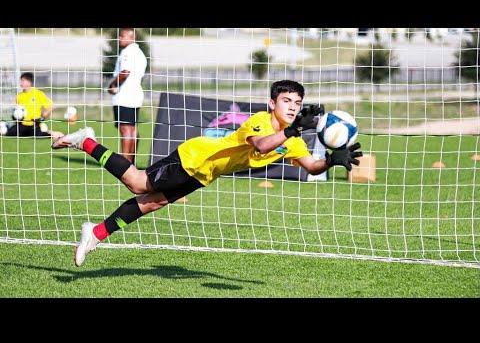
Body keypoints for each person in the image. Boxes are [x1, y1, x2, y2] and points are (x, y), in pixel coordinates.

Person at [52, 80, 363, 267]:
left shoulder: (293, 139)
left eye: (298, 103)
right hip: (196, 157)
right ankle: (85, 140)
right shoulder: (260, 121)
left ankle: (95, 233)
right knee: (137, 183)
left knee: (151, 203)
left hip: (205, 174)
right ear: (272, 104)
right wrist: (294, 130)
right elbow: (262, 145)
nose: (293, 107)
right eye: (287, 101)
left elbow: (311, 166)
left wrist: (333, 160)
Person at [107, 28, 147, 164]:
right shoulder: (140, 53)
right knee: (132, 128)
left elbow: (125, 72)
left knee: (126, 129)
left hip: (125, 95)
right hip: (135, 94)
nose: (119, 39)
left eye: (122, 36)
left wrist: (113, 84)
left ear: (131, 37)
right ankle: (130, 161)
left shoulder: (128, 52)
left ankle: (124, 163)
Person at [5, 72, 63, 139]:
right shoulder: (19, 96)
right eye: (21, 81)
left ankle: (53, 133)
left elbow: (51, 106)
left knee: (38, 135)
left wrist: (43, 117)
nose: (21, 83)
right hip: (21, 125)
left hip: (34, 124)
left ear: (29, 82)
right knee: (10, 133)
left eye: (23, 81)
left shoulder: (38, 94)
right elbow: (17, 111)